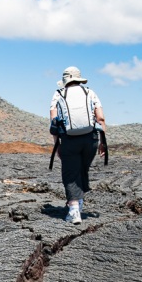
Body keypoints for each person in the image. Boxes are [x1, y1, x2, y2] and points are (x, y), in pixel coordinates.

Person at [50, 66, 106, 224]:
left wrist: (57, 145)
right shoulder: (90, 93)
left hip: (69, 139)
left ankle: (74, 210)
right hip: (91, 139)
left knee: (70, 173)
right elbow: (100, 118)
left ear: (65, 81)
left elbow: (54, 123)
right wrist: (103, 143)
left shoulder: (58, 94)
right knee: (82, 169)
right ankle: (79, 203)